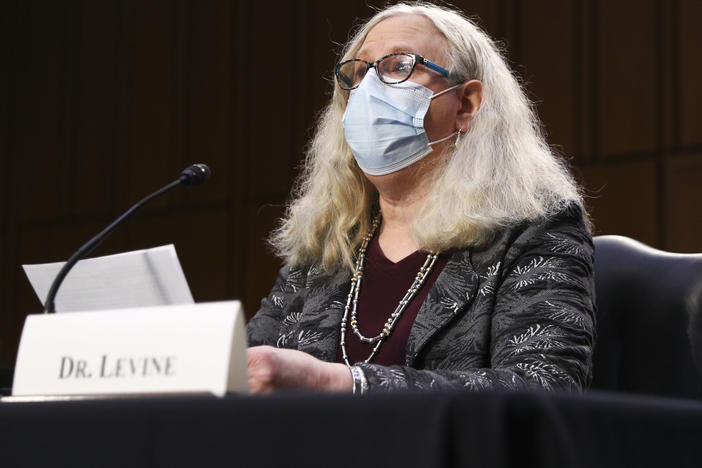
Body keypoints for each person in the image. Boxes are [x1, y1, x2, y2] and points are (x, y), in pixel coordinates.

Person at [246, 2, 595, 395]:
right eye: (359, 73)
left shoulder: (535, 228)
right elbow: (250, 365)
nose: (368, 90)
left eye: (399, 66)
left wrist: (344, 383)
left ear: (465, 105)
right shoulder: (329, 241)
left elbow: (544, 387)